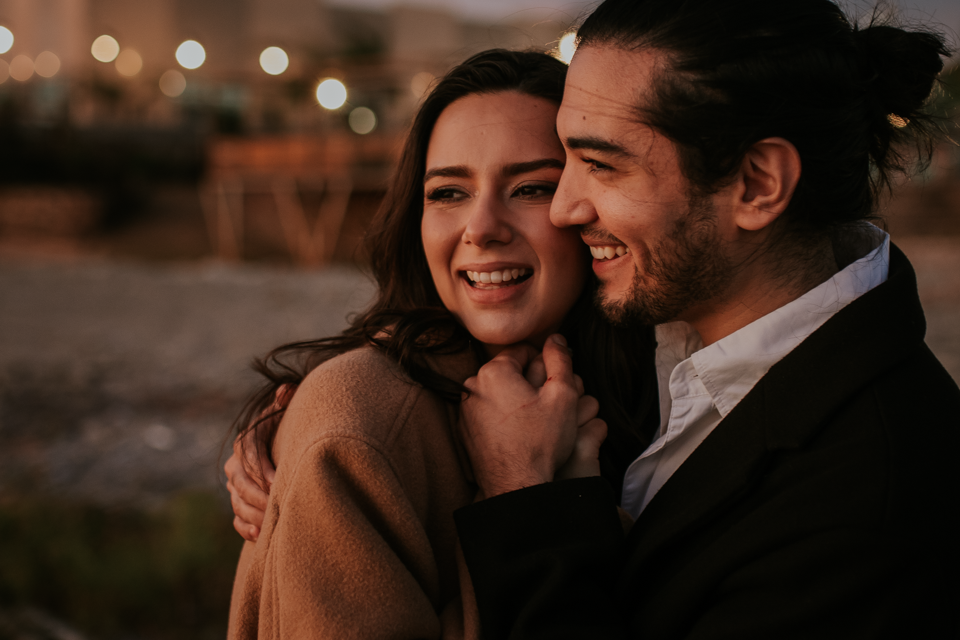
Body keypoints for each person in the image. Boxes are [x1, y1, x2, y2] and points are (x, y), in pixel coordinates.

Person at [451, 0, 960, 637]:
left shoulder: (867, 508)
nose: (563, 209)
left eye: (602, 165)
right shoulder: (661, 328)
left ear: (757, 184)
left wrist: (522, 492)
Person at [225, 49, 653, 640]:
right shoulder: (355, 425)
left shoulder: (668, 383)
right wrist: (524, 493)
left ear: (589, 206)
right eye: (449, 193)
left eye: (531, 187)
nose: (481, 228)